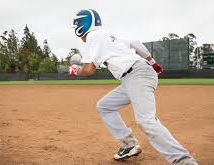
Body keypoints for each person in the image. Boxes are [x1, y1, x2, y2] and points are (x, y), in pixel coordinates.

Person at [69, 9, 198, 165]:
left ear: (81, 25)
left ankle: (184, 161)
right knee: (104, 106)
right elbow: (136, 44)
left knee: (146, 121)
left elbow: (89, 69)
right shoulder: (110, 35)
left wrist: (76, 70)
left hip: (137, 75)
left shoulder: (93, 36)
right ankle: (129, 145)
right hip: (132, 77)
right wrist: (152, 62)